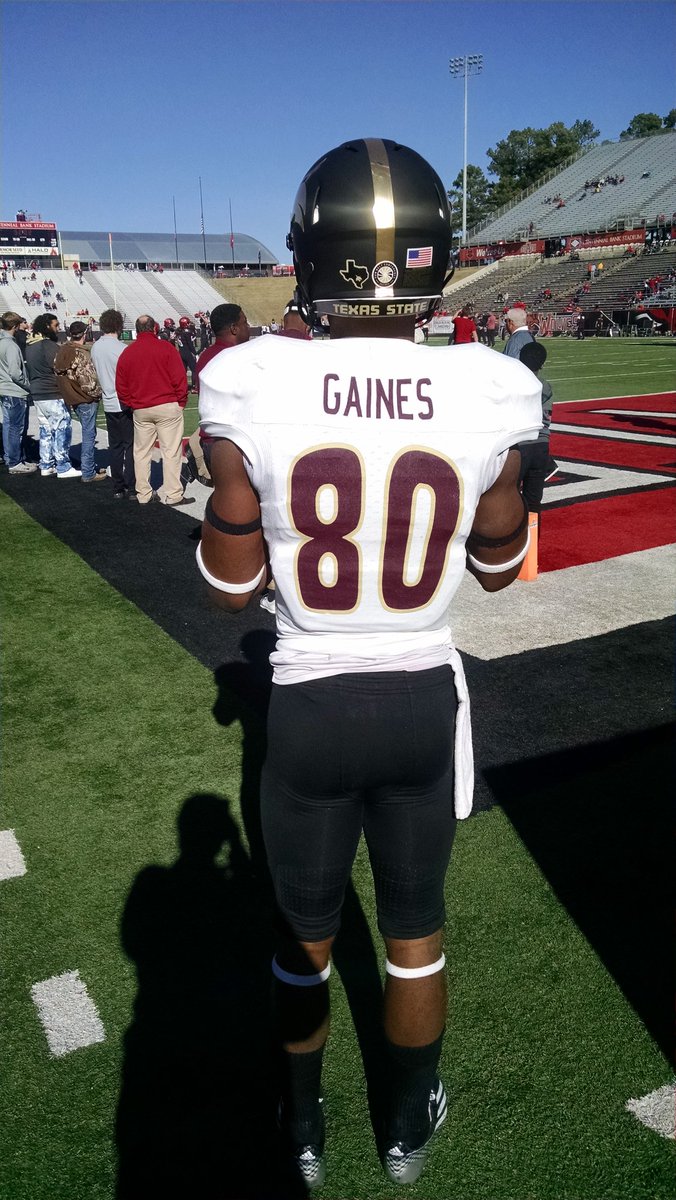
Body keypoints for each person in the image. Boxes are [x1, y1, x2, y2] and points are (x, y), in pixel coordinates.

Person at [196, 137, 542, 1191]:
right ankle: (404, 1123)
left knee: (299, 937)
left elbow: (227, 586)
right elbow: (496, 570)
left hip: (305, 698)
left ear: (309, 253)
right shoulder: (492, 387)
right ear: (436, 259)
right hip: (419, 699)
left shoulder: (246, 378)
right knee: (413, 938)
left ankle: (301, 1125)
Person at [115, 314, 193, 506]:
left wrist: (131, 404)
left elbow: (121, 386)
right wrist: (180, 402)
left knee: (141, 452)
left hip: (141, 408)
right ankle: (173, 494)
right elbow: (179, 378)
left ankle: (143, 493)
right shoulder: (165, 348)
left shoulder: (128, 353)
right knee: (171, 451)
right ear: (155, 328)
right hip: (166, 406)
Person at [185, 304, 251, 489]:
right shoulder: (238, 356)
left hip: (211, 439)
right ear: (234, 328)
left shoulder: (206, 356)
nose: (248, 327)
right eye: (244, 322)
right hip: (234, 441)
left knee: (223, 494)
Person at [26, 313, 81, 478]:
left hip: (38, 393)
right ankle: (63, 466)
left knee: (46, 430)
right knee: (62, 427)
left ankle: (46, 463)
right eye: (56, 325)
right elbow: (60, 369)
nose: (58, 329)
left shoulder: (30, 346)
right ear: (47, 326)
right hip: (52, 392)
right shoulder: (48, 346)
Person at [54, 321, 107, 483]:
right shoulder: (80, 352)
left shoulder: (62, 350)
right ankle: (88, 471)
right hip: (85, 398)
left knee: (87, 433)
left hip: (72, 396)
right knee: (89, 435)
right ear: (84, 334)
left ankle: (88, 466)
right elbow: (89, 382)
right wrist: (97, 394)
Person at [91, 308, 136, 498]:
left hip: (108, 401)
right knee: (131, 446)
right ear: (118, 326)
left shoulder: (96, 347)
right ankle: (132, 486)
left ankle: (118, 486)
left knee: (115, 446)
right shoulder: (122, 349)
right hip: (123, 401)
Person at [517, 341, 556, 512]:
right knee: (533, 501)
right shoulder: (545, 385)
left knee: (509, 495)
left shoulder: (513, 383)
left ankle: (514, 537)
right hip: (541, 444)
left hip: (519, 444)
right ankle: (532, 537)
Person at [0, 311, 35, 474]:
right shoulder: (11, 346)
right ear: (14, 326)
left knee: (9, 427)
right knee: (15, 428)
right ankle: (14, 462)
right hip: (14, 391)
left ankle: (11, 458)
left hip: (5, 389)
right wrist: (28, 385)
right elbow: (15, 372)